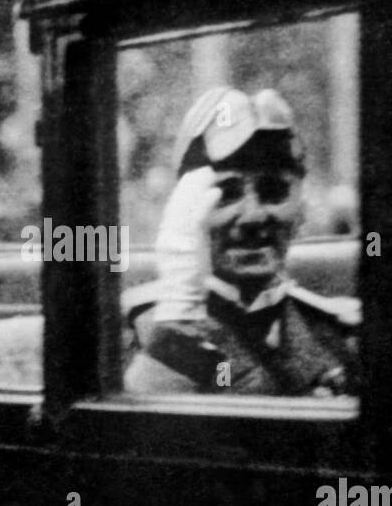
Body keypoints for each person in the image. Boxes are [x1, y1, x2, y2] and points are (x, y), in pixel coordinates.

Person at [124, 87, 359, 395]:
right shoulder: (136, 332)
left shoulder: (338, 335)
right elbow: (136, 431)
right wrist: (179, 317)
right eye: (227, 192)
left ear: (300, 209)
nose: (252, 216)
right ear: (184, 210)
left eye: (273, 190)